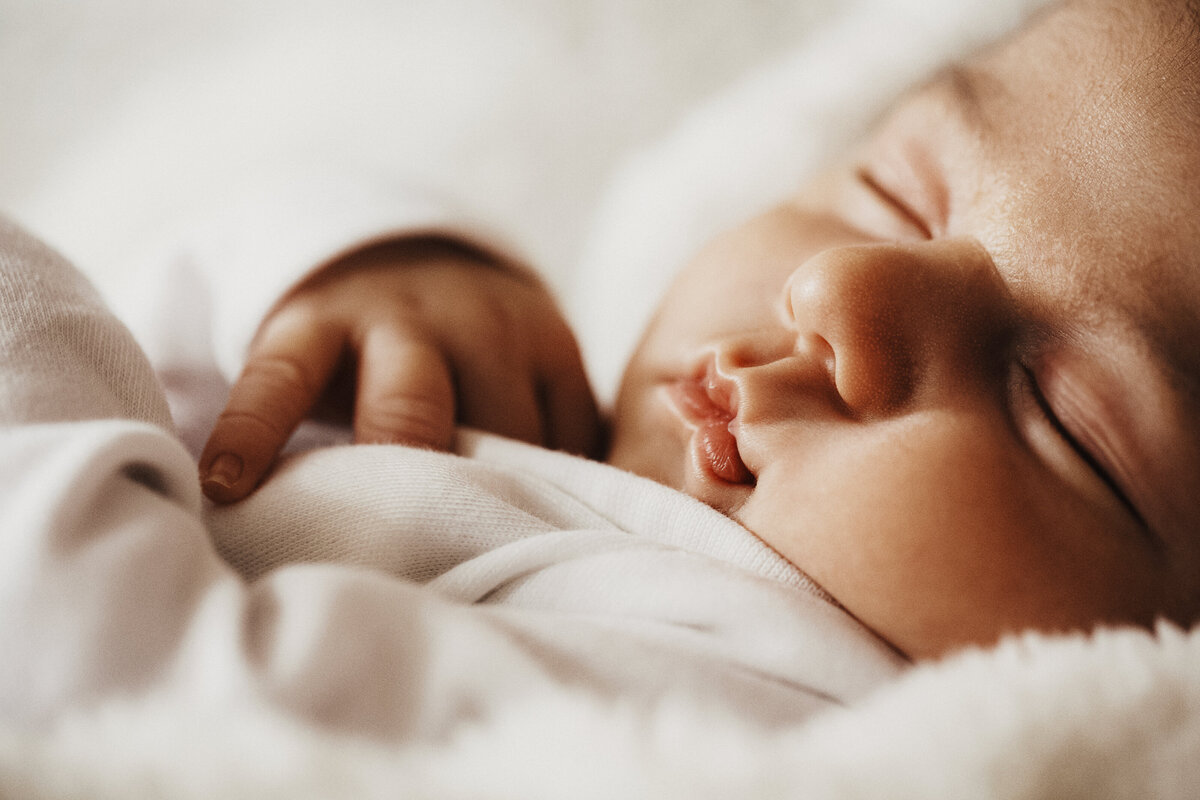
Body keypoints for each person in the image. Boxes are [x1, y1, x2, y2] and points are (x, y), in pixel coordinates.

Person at [0, 0, 1196, 746]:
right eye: (891, 192)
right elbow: (156, 406)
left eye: (1069, 416)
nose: (840, 290)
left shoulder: (758, 710)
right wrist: (354, 262)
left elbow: (96, 661)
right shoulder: (574, 451)